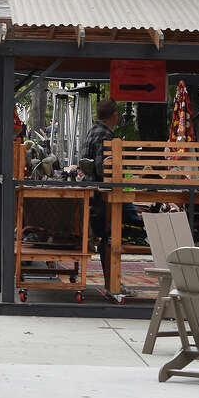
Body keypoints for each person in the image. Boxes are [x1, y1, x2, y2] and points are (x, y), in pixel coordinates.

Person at [81, 98, 145, 294]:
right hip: (105, 198)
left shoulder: (91, 131)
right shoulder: (107, 136)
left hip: (92, 194)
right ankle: (114, 283)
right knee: (130, 228)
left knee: (108, 238)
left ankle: (112, 282)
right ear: (115, 115)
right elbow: (104, 169)